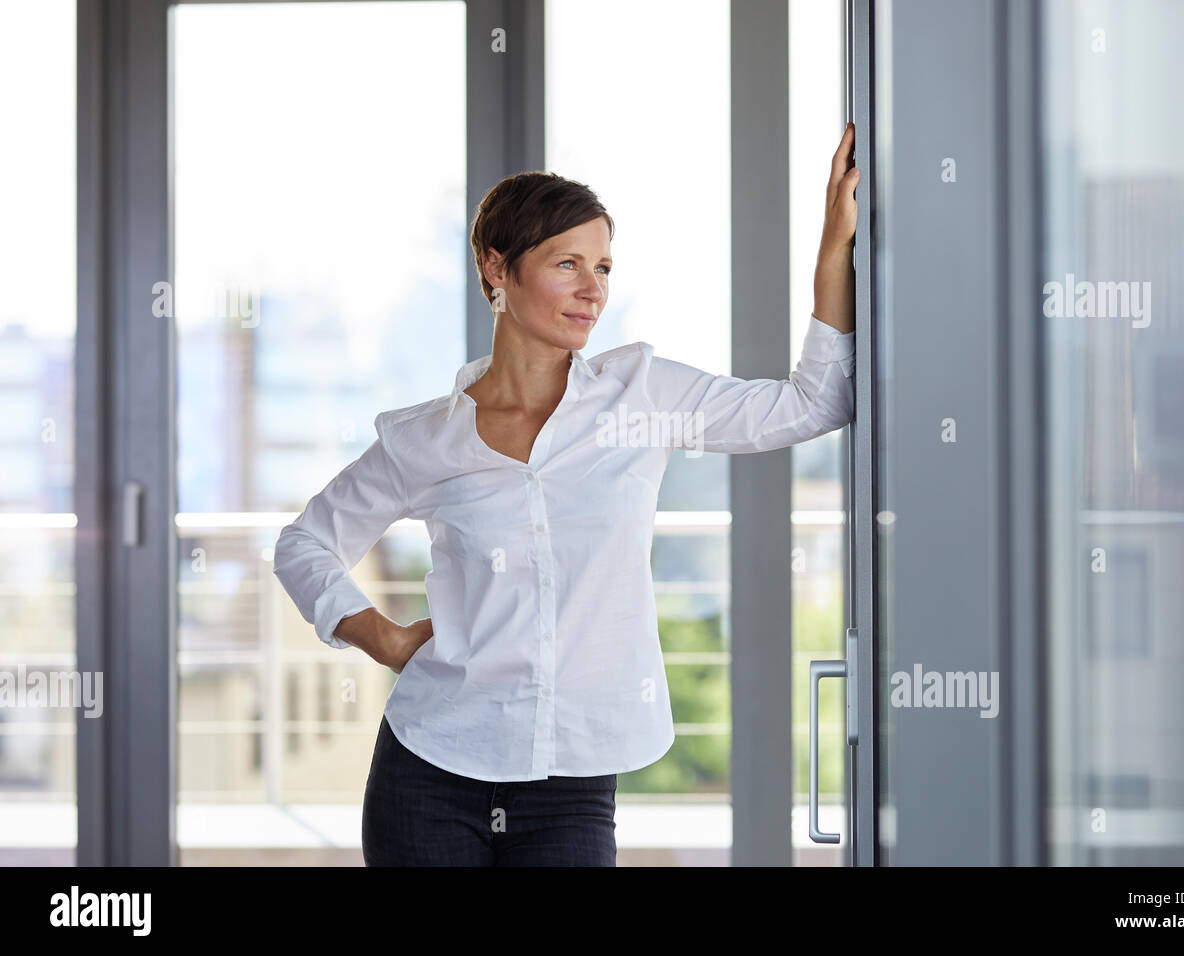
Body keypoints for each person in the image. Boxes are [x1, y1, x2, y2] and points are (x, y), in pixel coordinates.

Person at [272, 123, 860, 866]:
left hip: (570, 781)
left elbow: (812, 404)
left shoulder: (642, 396)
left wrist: (833, 244)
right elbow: (304, 544)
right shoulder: (424, 439)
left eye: (605, 268)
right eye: (568, 265)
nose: (594, 292)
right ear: (498, 269)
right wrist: (379, 637)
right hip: (428, 770)